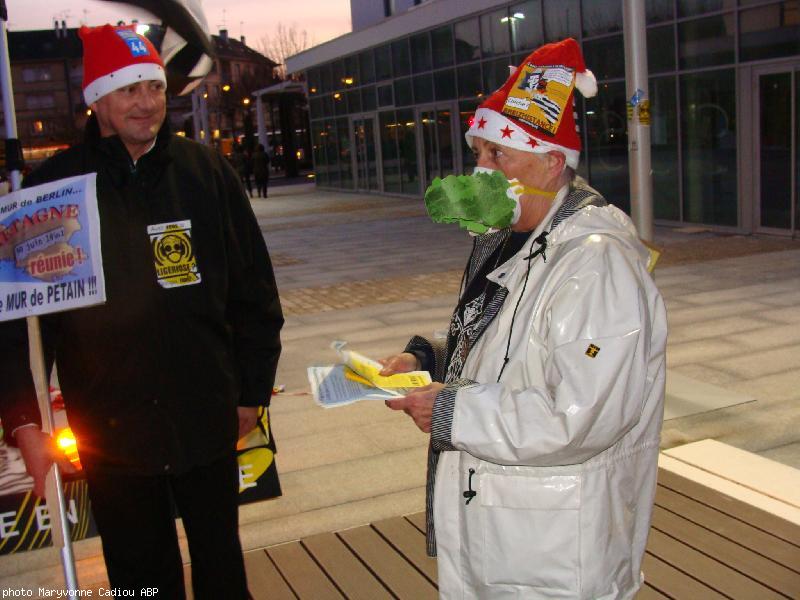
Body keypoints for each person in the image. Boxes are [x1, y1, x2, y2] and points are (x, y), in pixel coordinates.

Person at [0, 25, 283, 600]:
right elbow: (20, 325)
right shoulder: (52, 189)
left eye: (154, 87)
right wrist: (25, 421)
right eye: (128, 89)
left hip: (206, 414)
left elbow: (254, 292)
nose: (147, 103)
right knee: (139, 578)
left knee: (221, 565)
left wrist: (251, 391)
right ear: (97, 99)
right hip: (111, 428)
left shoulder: (206, 172)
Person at [381, 38, 667, 599]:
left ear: (552, 162)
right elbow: (509, 344)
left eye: (498, 155)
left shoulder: (596, 264)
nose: (480, 170)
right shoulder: (507, 238)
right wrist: (429, 359)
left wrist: (451, 410)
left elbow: (581, 415)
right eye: (479, 153)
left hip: (554, 540)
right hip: (501, 517)